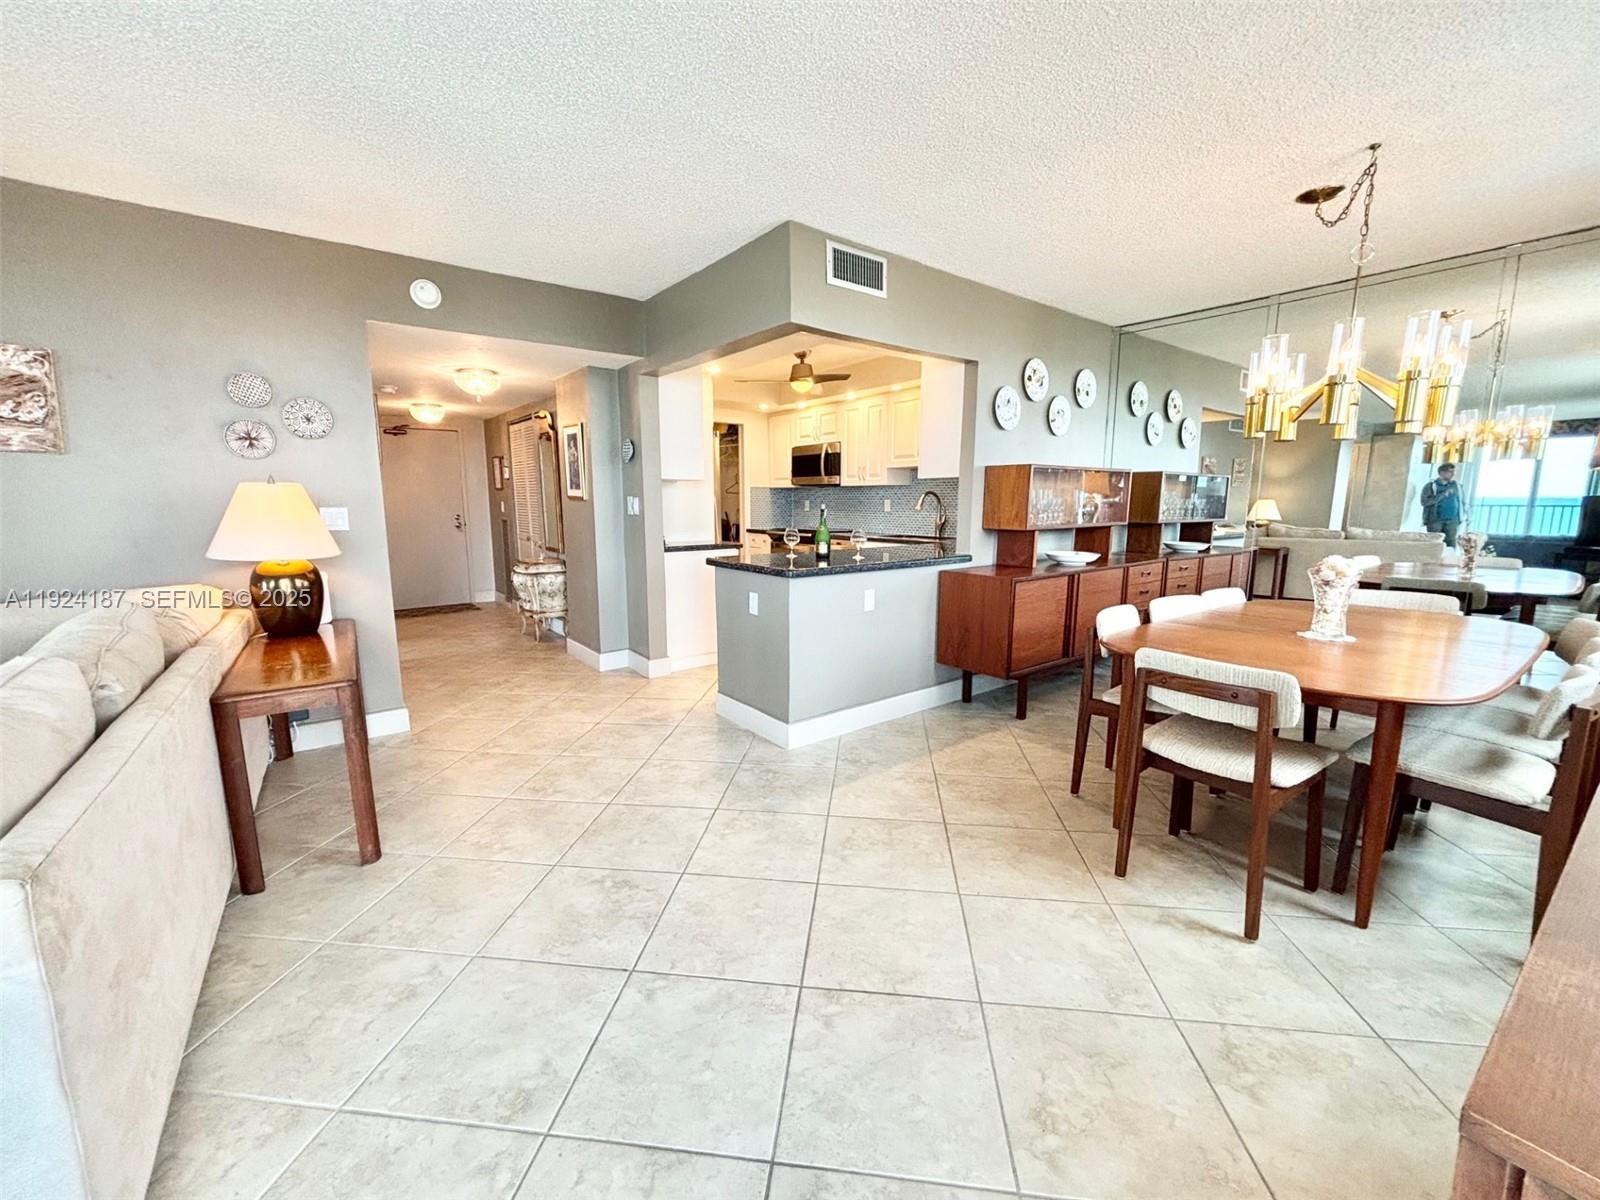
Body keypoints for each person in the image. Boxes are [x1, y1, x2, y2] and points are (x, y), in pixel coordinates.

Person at [1420, 463, 1465, 547]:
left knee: (1450, 544)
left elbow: (1462, 501)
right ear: (1441, 472)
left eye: (1453, 472)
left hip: (1452, 520)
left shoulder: (1456, 485)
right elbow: (1424, 502)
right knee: (1434, 544)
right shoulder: (1431, 486)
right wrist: (1442, 495)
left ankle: (1450, 560)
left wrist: (1463, 516)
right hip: (1435, 521)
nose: (1452, 474)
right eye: (1449, 472)